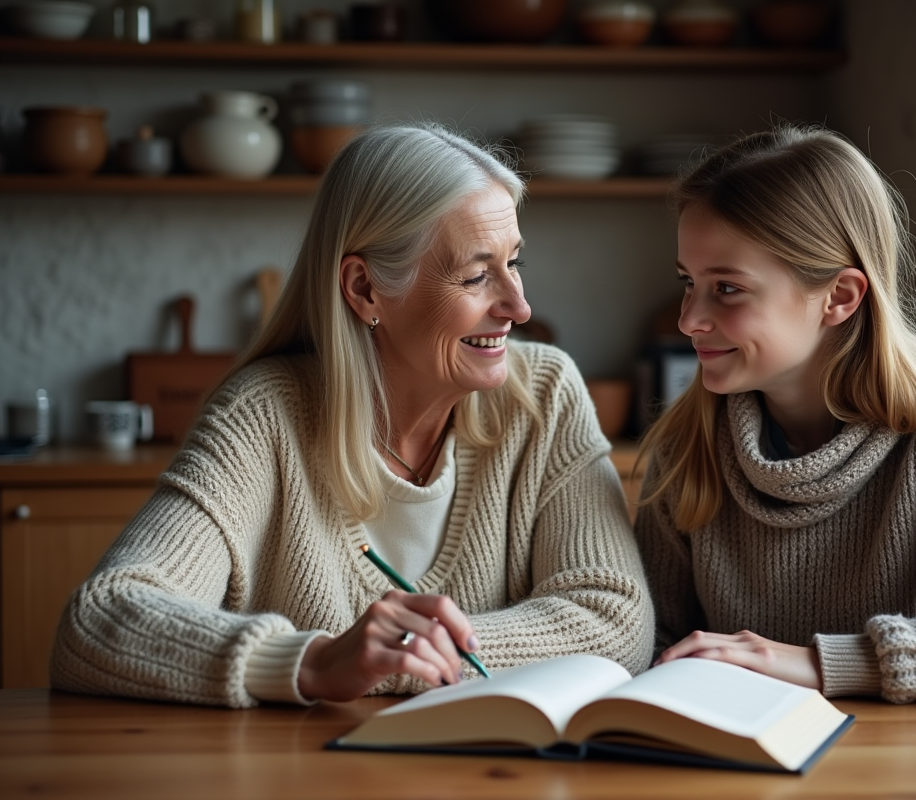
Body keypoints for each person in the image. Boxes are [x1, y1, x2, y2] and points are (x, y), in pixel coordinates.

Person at [52, 124, 653, 707]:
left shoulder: (544, 394)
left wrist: (404, 658)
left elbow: (614, 619)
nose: (519, 307)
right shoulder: (262, 417)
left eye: (513, 263)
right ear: (365, 288)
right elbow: (102, 620)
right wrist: (313, 662)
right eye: (476, 275)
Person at [633, 126, 916, 703]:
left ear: (840, 297)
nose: (688, 320)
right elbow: (654, 640)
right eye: (688, 282)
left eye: (727, 288)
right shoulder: (688, 445)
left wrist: (817, 663)